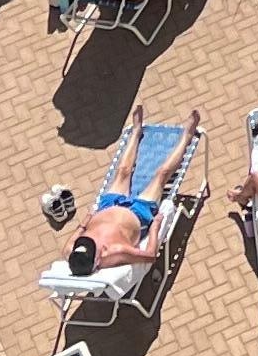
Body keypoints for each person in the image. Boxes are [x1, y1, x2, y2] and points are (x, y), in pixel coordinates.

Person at [61, 111, 204, 282]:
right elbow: (150, 256)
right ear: (97, 261)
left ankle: (136, 132)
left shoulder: (71, 250)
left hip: (107, 206)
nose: (93, 243)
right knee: (162, 174)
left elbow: (75, 237)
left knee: (123, 171)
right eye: (95, 248)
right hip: (139, 212)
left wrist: (84, 222)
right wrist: (155, 228)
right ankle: (186, 136)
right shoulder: (115, 252)